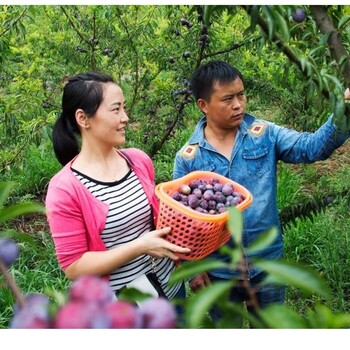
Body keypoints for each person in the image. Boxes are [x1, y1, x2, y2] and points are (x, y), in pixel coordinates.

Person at [173, 60, 350, 325]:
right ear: (203, 105)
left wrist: (344, 108)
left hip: (266, 263)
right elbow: (182, 222)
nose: (238, 105)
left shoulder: (264, 134)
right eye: (228, 99)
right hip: (220, 270)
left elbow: (312, 147)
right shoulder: (189, 158)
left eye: (241, 95)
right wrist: (191, 272)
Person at [45, 72, 191, 307]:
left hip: (172, 288)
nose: (125, 118)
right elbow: (74, 266)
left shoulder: (137, 160)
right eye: (115, 109)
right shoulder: (65, 188)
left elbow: (154, 218)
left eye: (124, 108)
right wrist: (139, 247)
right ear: (83, 118)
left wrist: (179, 200)